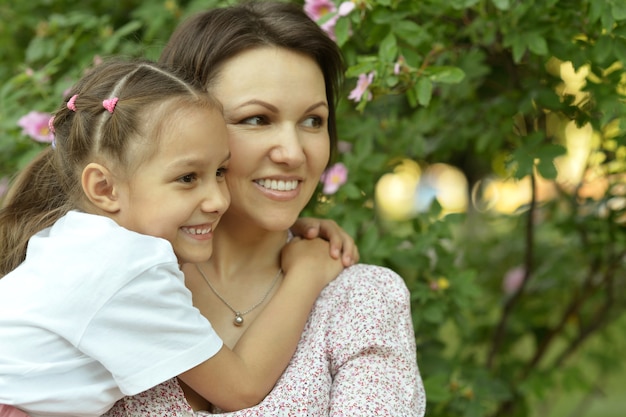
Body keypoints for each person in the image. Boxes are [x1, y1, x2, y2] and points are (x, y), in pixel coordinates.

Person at [105, 2, 426, 416]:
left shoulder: (360, 300)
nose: (293, 154)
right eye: (257, 119)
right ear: (180, 125)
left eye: (313, 121)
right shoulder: (114, 281)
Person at [0, 58, 346, 417]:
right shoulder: (128, 269)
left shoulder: (80, 242)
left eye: (220, 171)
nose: (218, 200)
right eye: (187, 178)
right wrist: (306, 273)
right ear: (103, 187)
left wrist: (288, 228)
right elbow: (240, 389)